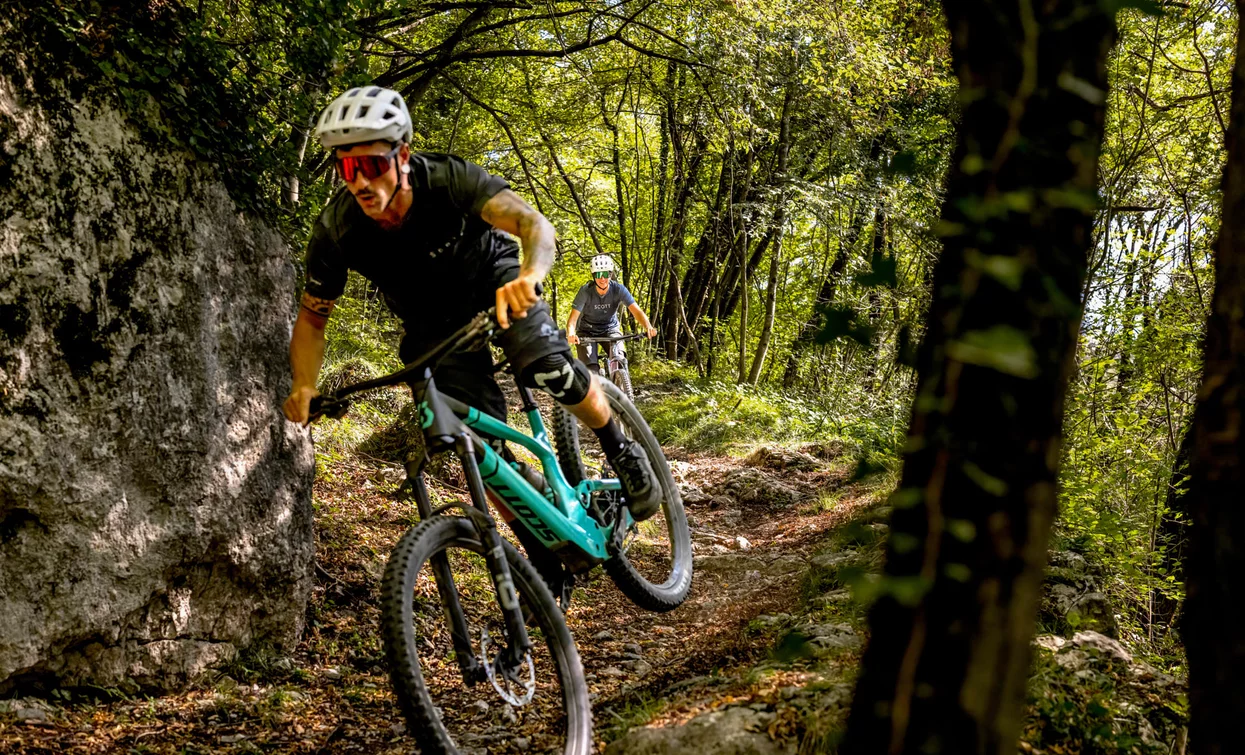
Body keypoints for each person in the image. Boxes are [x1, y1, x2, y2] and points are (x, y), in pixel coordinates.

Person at [280, 87, 661, 597]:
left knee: (550, 369)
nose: (363, 182)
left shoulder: (448, 177)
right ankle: (546, 555)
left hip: (498, 279)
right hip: (433, 326)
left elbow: (533, 225)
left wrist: (531, 274)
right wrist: (304, 385)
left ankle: (622, 451)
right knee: (478, 452)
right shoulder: (337, 229)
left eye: (373, 164)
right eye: (348, 170)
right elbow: (312, 320)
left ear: (404, 157)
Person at [566, 256, 657, 374]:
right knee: (591, 370)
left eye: (605, 274)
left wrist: (648, 326)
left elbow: (636, 311)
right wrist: (571, 333)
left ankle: (622, 384)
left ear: (610, 274)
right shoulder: (585, 291)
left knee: (620, 360)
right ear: (594, 276)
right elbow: (573, 319)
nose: (602, 278)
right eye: (598, 275)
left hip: (610, 328)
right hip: (586, 331)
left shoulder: (618, 289)